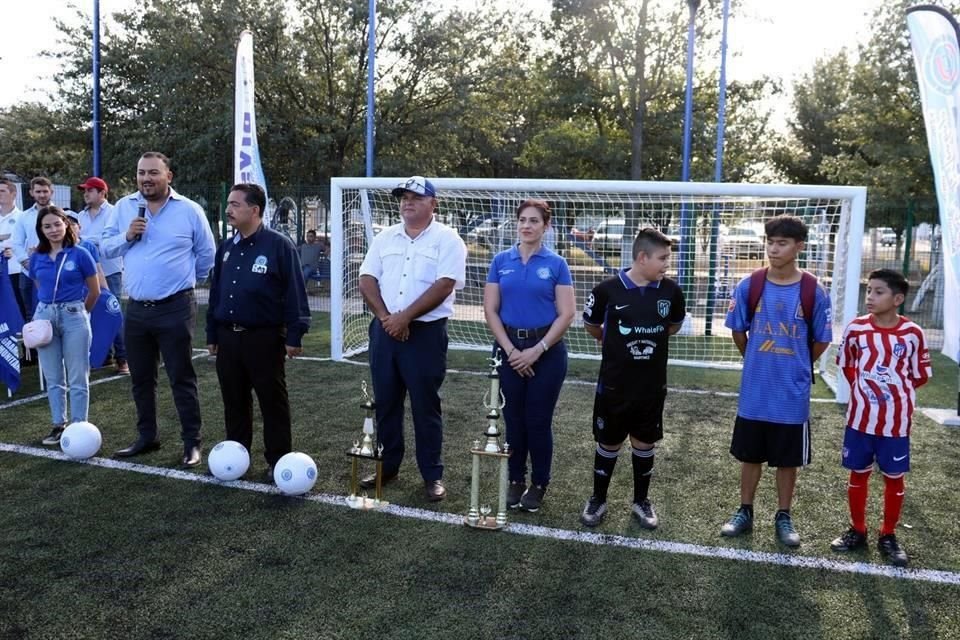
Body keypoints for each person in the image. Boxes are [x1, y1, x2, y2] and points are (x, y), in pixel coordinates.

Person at [720, 215, 832, 547]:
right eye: (769, 242)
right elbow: (738, 331)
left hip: (791, 392)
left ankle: (784, 515)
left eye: (781, 243)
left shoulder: (813, 289)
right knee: (750, 455)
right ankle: (745, 510)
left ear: (799, 247)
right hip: (756, 389)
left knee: (787, 458)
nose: (773, 248)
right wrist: (755, 358)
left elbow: (822, 339)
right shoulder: (750, 285)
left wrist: (798, 364)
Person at [102, 152, 216, 467]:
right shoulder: (125, 207)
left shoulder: (190, 210)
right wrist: (127, 236)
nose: (146, 179)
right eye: (141, 173)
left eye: (153, 172)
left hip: (176, 307)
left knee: (181, 376)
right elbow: (106, 246)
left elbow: (206, 255)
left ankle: (192, 443)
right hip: (136, 309)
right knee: (141, 378)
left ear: (169, 176)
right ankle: (146, 437)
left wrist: (186, 282)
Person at [358, 176, 467, 502]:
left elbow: (444, 284)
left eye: (416, 197)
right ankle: (388, 466)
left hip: (425, 335)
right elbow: (366, 278)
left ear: (433, 204)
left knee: (425, 405)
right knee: (386, 403)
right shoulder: (385, 237)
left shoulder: (448, 239)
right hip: (384, 331)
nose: (408, 202)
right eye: (404, 197)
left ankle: (432, 474)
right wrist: (387, 319)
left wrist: (405, 318)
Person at [578, 228, 686, 528]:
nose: (667, 264)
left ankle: (641, 501)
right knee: (609, 442)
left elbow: (672, 326)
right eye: (662, 258)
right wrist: (613, 340)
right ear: (642, 257)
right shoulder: (607, 290)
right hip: (614, 384)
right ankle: (598, 498)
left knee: (644, 442)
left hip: (651, 386)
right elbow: (592, 325)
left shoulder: (671, 292)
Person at [206, 183, 311, 480]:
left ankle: (278, 461)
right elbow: (216, 293)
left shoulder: (279, 245)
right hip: (228, 337)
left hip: (264, 338)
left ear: (255, 210)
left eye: (235, 204)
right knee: (234, 400)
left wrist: (295, 334)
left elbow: (295, 293)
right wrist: (212, 334)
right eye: (228, 203)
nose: (229, 209)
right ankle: (235, 458)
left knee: (272, 401)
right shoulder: (225, 249)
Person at [830, 269, 931, 567]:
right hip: (860, 420)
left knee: (893, 477)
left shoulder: (913, 334)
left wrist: (890, 397)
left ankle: (888, 534)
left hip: (895, 424)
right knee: (857, 473)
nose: (870, 297)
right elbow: (847, 366)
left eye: (878, 292)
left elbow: (919, 376)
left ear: (897, 299)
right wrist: (867, 395)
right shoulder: (856, 329)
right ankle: (857, 530)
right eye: (868, 290)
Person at [483, 198, 575, 512]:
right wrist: (511, 351)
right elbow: (491, 311)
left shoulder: (557, 264)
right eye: (522, 219)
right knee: (513, 419)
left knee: (537, 421)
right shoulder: (500, 260)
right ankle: (515, 480)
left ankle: (538, 484)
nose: (527, 225)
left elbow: (566, 314)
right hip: (508, 352)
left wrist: (536, 351)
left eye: (534, 220)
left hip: (546, 354)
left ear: (545, 226)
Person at [28, 206, 100, 445]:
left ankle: (79, 426)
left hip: (74, 316)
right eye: (47, 226)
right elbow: (40, 286)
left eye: (57, 224)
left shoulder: (81, 254)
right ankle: (59, 425)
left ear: (66, 224)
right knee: (53, 376)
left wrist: (80, 314)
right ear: (41, 230)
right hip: (45, 316)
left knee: (78, 375)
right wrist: (48, 310)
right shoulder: (36, 257)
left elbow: (95, 290)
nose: (53, 230)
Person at [77, 176, 128, 374]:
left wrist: (87, 241)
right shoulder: (80, 216)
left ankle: (123, 358)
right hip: (87, 274)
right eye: (85, 190)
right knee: (91, 314)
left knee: (112, 312)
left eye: (90, 190)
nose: (86, 194)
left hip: (110, 270)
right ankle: (103, 355)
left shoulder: (115, 212)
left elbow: (113, 239)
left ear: (102, 193)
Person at [12, 177, 56, 323]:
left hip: (53, 269)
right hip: (28, 272)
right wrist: (26, 261)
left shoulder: (61, 214)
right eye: (38, 191)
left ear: (51, 192)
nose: (42, 195)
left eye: (45, 191)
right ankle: (32, 345)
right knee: (29, 314)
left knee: (53, 309)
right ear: (31, 193)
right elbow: (16, 243)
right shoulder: (24, 217)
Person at [0, 179, 25, 319]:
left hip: (15, 271)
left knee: (18, 308)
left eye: (2, 191)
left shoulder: (22, 217)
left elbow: (20, 243)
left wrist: (8, 243)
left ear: (13, 194)